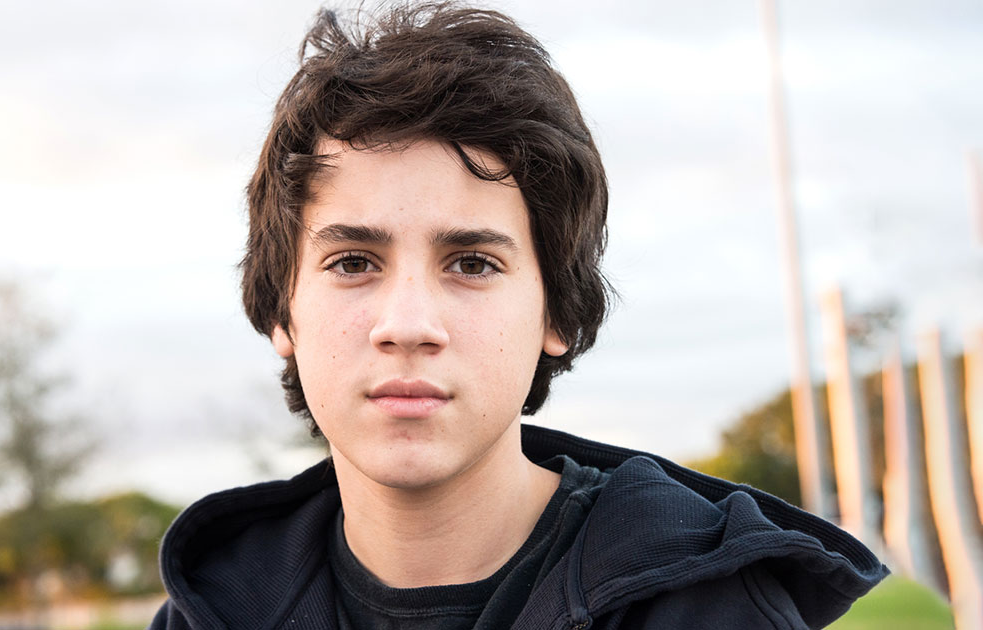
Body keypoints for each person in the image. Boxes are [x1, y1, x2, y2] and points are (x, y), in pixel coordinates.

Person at [149, 3, 886, 628]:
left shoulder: (711, 611)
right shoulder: (210, 610)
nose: (407, 324)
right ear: (282, 311)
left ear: (555, 312)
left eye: (472, 264)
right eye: (352, 263)